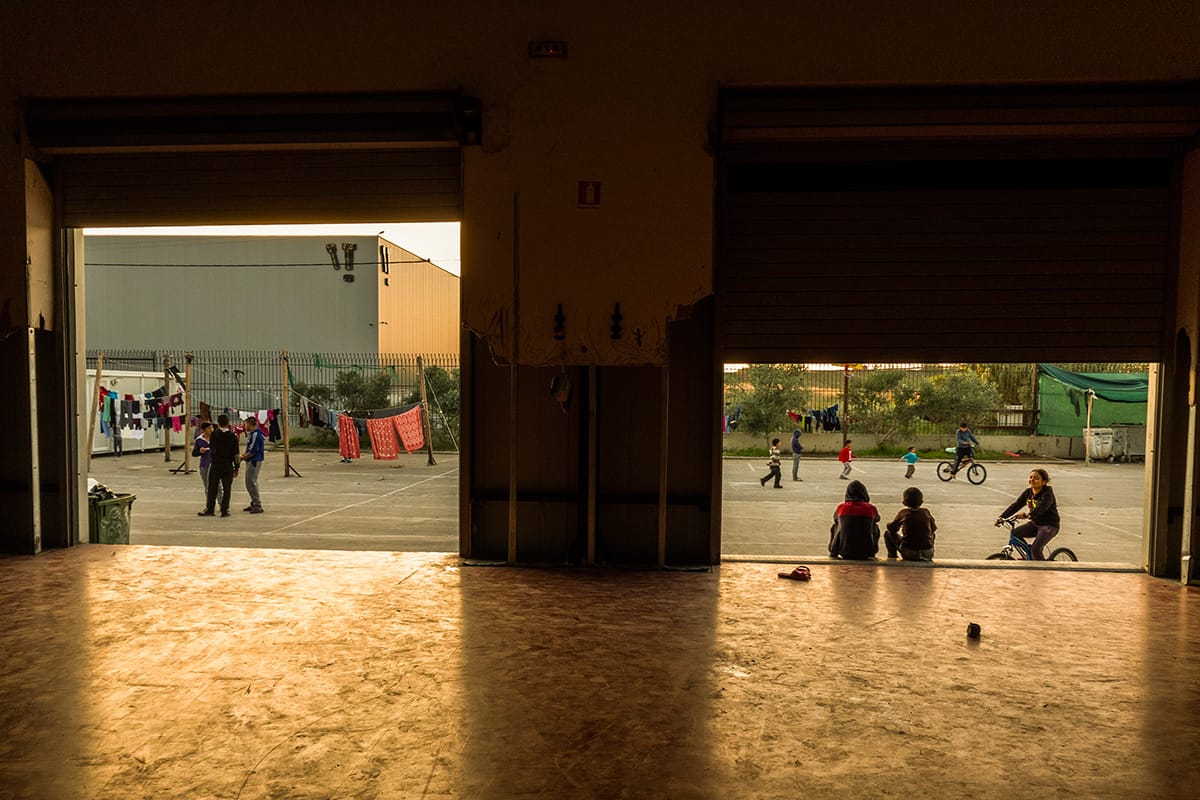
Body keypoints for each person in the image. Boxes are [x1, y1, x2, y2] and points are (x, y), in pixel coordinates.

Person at [996, 468, 1060, 560]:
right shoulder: (1028, 492)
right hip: (1035, 523)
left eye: (1036, 478)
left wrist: (1028, 515)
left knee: (1036, 548)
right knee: (1015, 533)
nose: (1032, 480)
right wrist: (1002, 517)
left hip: (1049, 525)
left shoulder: (1047, 493)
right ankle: (1029, 555)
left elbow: (1042, 507)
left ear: (1044, 482)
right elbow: (1016, 505)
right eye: (1030, 477)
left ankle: (1043, 570)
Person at [199, 414, 239, 518]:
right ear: (228, 422)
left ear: (218, 423)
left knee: (212, 487)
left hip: (216, 464)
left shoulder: (215, 434)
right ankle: (225, 509)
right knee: (227, 488)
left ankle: (210, 508)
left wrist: (214, 458)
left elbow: (212, 448)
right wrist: (237, 466)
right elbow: (236, 453)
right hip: (228, 465)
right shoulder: (233, 436)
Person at [829, 479, 880, 559]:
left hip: (844, 551)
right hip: (865, 552)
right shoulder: (871, 508)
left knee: (835, 526)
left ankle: (833, 552)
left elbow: (835, 518)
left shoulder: (841, 507)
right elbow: (877, 519)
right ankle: (872, 552)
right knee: (875, 526)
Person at [884, 487, 936, 561]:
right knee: (933, 534)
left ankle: (892, 557)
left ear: (904, 503)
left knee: (888, 534)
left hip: (909, 553)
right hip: (927, 553)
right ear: (921, 502)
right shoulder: (926, 512)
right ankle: (928, 548)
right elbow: (934, 528)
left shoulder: (903, 513)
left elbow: (892, 528)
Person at [192, 421, 223, 508]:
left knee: (218, 485)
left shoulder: (216, 438)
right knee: (207, 486)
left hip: (215, 464)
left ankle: (221, 503)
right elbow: (194, 453)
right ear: (204, 430)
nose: (211, 430)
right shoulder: (199, 440)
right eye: (209, 428)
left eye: (212, 428)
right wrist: (200, 451)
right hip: (204, 464)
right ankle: (210, 505)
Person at [241, 416, 266, 513]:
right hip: (250, 460)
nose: (245, 426)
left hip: (254, 460)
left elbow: (253, 450)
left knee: (252, 482)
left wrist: (243, 457)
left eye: (246, 424)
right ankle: (253, 501)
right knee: (248, 483)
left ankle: (257, 504)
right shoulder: (252, 434)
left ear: (251, 425)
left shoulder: (256, 434)